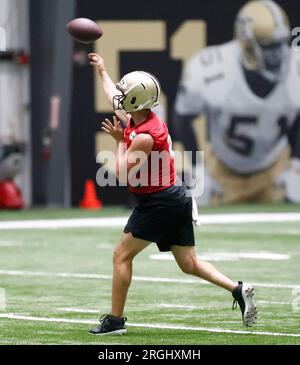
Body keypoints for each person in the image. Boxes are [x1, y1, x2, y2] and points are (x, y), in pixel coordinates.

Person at [86, 52, 257, 335]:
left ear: (135, 101)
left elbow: (120, 173)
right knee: (189, 263)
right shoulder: (139, 117)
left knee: (121, 256)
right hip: (173, 196)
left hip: (159, 202)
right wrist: (102, 71)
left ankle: (115, 321)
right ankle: (238, 289)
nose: (120, 96)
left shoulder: (143, 136)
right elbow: (112, 97)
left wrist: (117, 142)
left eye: (125, 94)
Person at [174, 0, 300, 205]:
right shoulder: (212, 69)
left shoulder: (296, 66)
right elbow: (182, 117)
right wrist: (198, 168)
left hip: (276, 167)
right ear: (248, 45)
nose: (279, 54)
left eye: (282, 44)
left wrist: (296, 165)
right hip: (223, 171)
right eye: (270, 47)